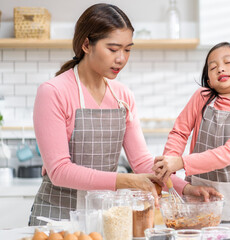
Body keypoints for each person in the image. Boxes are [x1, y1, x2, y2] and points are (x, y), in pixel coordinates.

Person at [30, 3, 219, 226]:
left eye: (127, 49)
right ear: (86, 44)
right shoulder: (53, 92)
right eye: (113, 49)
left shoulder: (122, 96)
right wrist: (127, 181)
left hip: (102, 217)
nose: (121, 58)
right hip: (56, 218)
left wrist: (185, 188)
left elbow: (140, 162)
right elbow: (59, 172)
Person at [153, 42, 230, 223]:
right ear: (208, 80)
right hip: (198, 188)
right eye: (213, 67)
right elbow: (180, 132)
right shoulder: (202, 97)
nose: (220, 69)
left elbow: (226, 155)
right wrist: (170, 162)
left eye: (228, 62)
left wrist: (181, 162)